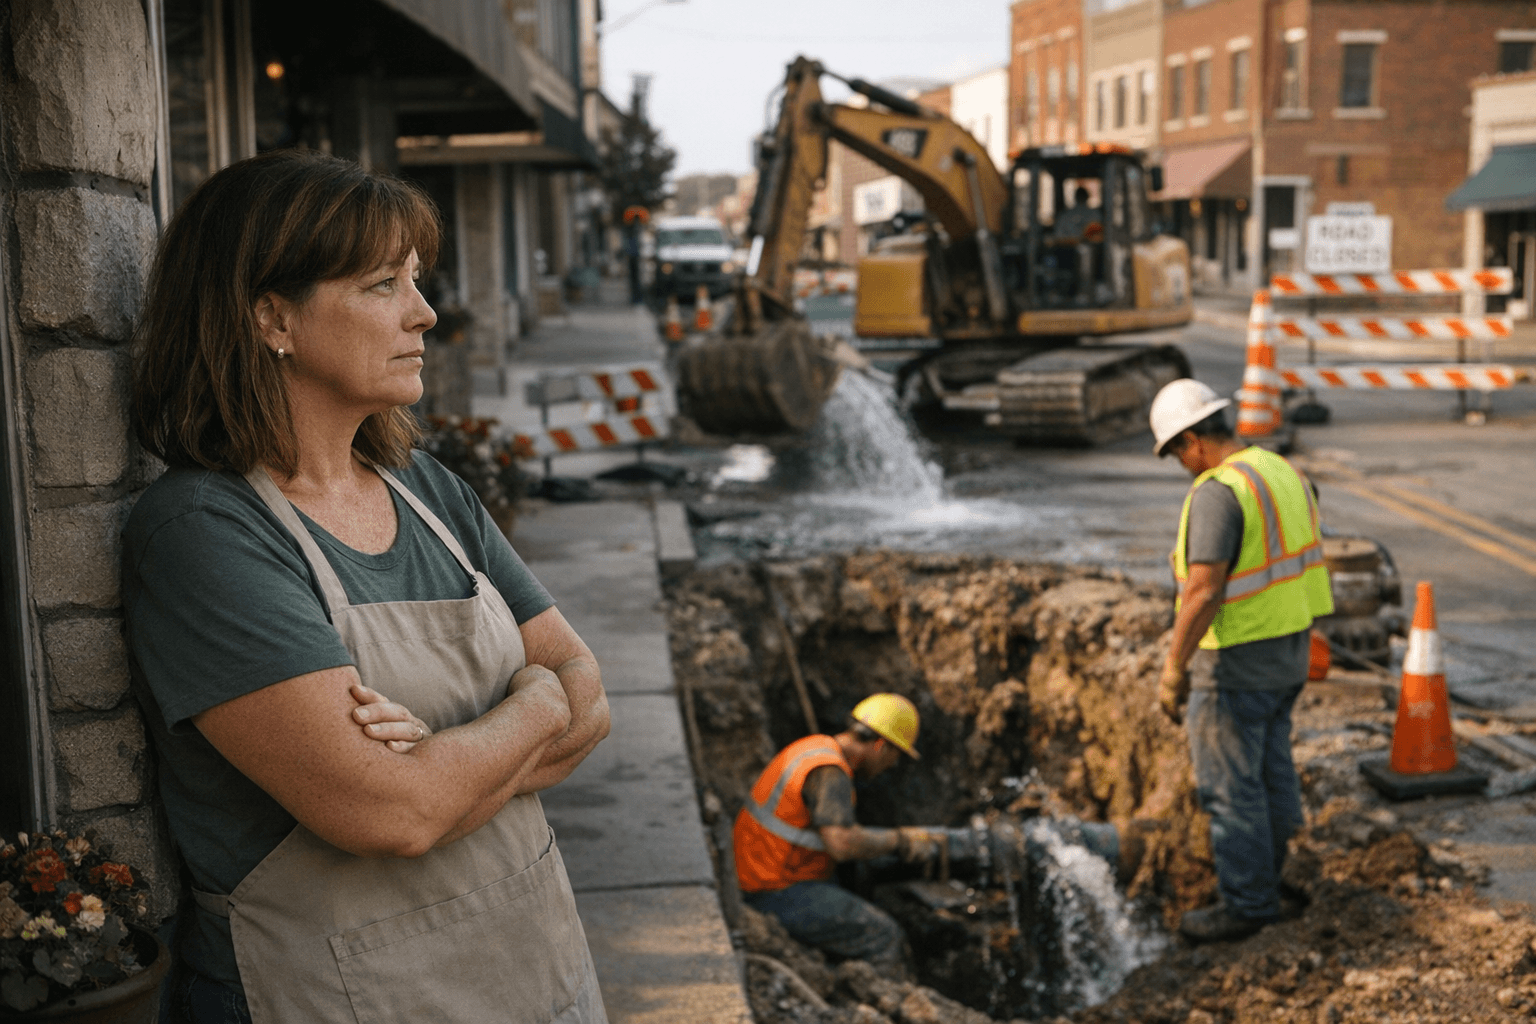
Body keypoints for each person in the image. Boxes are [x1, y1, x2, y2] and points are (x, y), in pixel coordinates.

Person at [124, 151, 611, 1023]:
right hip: (329, 994)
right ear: (272, 316)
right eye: (383, 284)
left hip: (532, 967)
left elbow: (593, 707)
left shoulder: (428, 490)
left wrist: (444, 759)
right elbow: (392, 814)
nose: (424, 312)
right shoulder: (204, 534)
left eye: (416, 279)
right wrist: (536, 700)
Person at [1148, 378, 1333, 943]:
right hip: (1289, 653)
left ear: (1193, 440)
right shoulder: (1281, 470)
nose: (1181, 465)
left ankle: (1248, 905)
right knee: (1273, 774)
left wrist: (1174, 668)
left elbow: (1203, 591)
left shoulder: (1217, 491)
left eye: (1177, 452)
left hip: (1235, 663)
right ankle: (1279, 882)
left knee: (1232, 790)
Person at [733, 694, 944, 976]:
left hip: (763, 873)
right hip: (771, 890)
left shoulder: (816, 748)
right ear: (881, 746)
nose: (893, 765)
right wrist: (901, 840)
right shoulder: (830, 773)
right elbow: (841, 844)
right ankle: (880, 997)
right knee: (882, 934)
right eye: (896, 755)